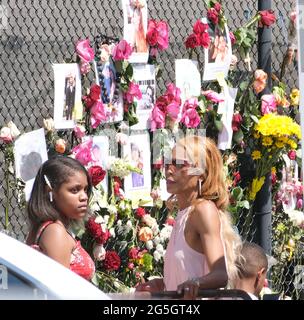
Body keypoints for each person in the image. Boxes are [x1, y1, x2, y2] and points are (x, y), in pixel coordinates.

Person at [136, 135, 242, 299]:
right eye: (168, 163)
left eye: (180, 165)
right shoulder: (184, 213)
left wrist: (196, 283)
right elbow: (190, 271)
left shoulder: (203, 210)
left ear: (200, 173)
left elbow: (221, 274)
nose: (169, 170)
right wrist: (163, 284)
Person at [26, 156, 95, 281]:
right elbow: (62, 291)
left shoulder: (53, 228)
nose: (84, 197)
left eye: (85, 189)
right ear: (50, 192)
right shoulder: (54, 231)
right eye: (74, 190)